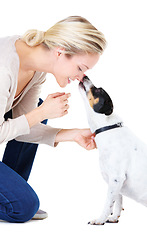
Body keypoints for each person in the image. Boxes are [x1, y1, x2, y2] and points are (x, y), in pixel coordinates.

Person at [0, 16, 106, 223]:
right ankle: (14, 201)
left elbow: (25, 128)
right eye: (80, 68)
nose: (81, 77)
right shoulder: (4, 69)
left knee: (35, 112)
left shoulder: (36, 68)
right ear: (60, 52)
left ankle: (10, 195)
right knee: (22, 208)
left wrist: (72, 134)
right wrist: (41, 113)